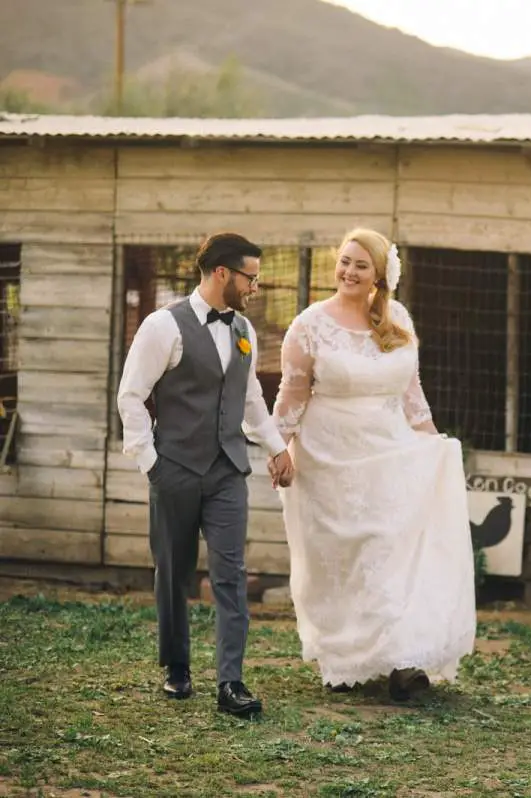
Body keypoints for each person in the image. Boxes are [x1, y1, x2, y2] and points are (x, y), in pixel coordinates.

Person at [272, 227, 475, 698]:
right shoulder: (309, 325)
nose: (349, 271)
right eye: (345, 261)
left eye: (361, 265)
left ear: (380, 275)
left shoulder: (397, 319)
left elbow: (411, 394)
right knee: (346, 557)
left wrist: (433, 444)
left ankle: (404, 660)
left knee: (390, 547)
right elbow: (293, 395)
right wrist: (276, 446)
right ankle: (348, 656)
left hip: (391, 450)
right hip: (331, 456)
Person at [117, 232, 294, 716]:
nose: (255, 287)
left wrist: (277, 449)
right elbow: (131, 395)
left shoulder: (245, 331)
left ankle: (230, 683)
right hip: (173, 470)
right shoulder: (163, 326)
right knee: (173, 572)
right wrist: (150, 461)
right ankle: (178, 669)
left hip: (226, 472)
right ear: (222, 274)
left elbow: (250, 400)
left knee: (231, 574)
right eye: (250, 278)